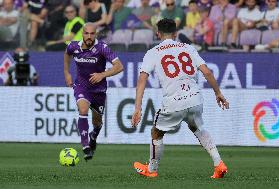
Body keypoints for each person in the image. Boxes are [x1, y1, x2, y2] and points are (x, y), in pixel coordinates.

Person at [131, 18, 229, 178]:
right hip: (195, 99)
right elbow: (207, 72)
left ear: (158, 33)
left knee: (156, 132)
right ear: (176, 33)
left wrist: (137, 108)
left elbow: (142, 79)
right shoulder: (188, 48)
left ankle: (152, 169)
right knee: (198, 128)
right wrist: (218, 93)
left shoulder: (153, 52)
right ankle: (219, 163)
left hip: (174, 102)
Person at [64, 23, 124, 160]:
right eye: (86, 33)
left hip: (98, 90)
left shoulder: (102, 48)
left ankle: (93, 135)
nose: (89, 36)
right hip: (81, 86)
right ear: (82, 34)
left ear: (95, 34)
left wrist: (102, 75)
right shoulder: (73, 46)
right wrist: (66, 73)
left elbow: (119, 66)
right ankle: (85, 145)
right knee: (83, 110)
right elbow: (67, 55)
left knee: (97, 122)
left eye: (92, 33)